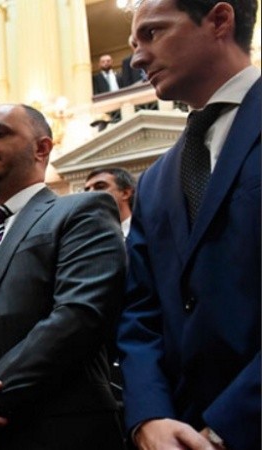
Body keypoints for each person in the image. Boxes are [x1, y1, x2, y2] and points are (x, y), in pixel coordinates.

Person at [0, 104, 126, 450]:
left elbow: (78, 316)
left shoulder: (82, 211)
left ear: (41, 148)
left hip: (53, 430)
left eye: (0, 133)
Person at [117, 1, 260, 449]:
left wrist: (226, 427)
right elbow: (140, 310)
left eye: (153, 34)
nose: (137, 58)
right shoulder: (156, 179)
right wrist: (149, 415)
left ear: (219, 20)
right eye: (133, 44)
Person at [84, 167, 136, 238]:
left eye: (100, 187)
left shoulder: (147, 230)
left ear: (125, 193)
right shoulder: (87, 238)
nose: (90, 193)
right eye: (87, 190)